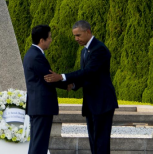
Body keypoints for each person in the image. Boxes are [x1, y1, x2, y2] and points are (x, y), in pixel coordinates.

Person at [44, 20, 119, 154]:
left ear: (88, 32)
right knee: (93, 140)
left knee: (101, 141)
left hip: (102, 102)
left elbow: (89, 71)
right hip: (91, 103)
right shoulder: (84, 51)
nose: (76, 39)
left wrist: (62, 77)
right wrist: (73, 85)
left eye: (78, 35)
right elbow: (87, 76)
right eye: (74, 36)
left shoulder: (99, 49)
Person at [23, 25, 69, 154]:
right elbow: (49, 78)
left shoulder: (32, 54)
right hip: (41, 107)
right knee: (39, 146)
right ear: (41, 40)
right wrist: (68, 84)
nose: (51, 40)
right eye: (49, 37)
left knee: (37, 144)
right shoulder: (36, 56)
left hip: (38, 106)